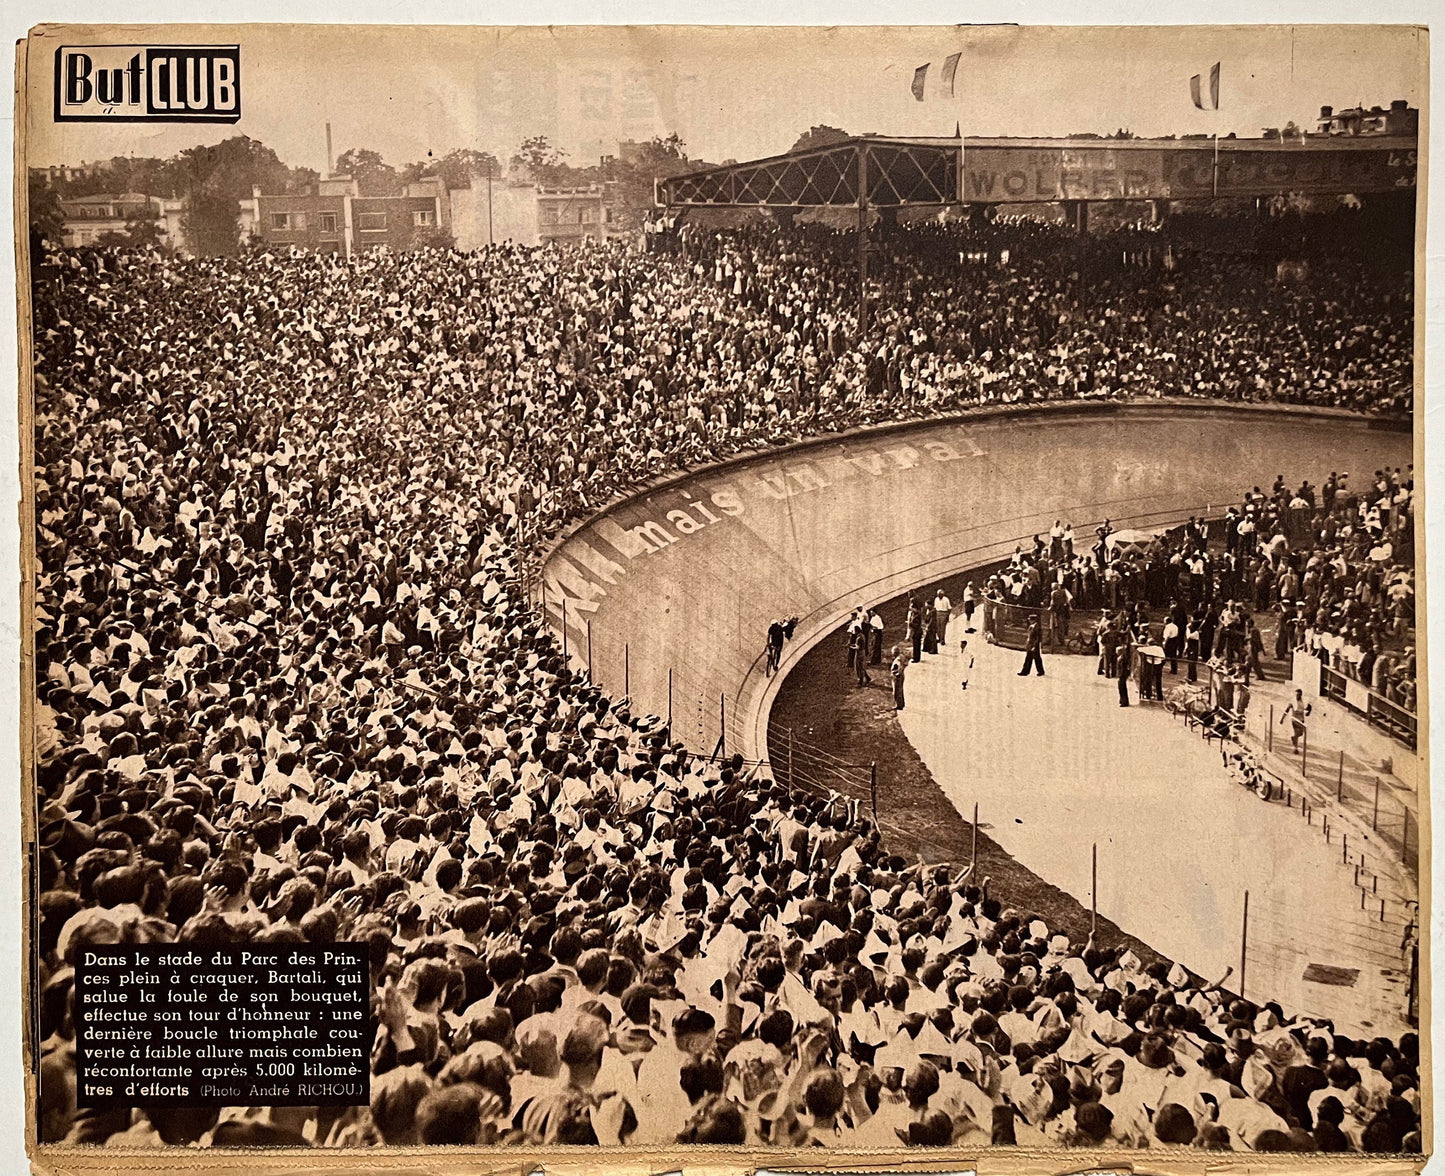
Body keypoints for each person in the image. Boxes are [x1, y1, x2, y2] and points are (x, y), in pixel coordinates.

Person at [1116, 631, 1133, 707]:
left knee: (1122, 688)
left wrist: (1120, 675)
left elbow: (1122, 668)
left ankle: (1124, 701)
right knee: (1121, 688)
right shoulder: (1122, 657)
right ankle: (1122, 700)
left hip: (1122, 674)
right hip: (1122, 674)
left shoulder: (1121, 658)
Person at [890, 645, 908, 711]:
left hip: (897, 677)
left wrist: (898, 673)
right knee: (900, 690)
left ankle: (898, 705)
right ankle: (901, 704)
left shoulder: (898, 659)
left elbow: (900, 666)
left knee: (896, 691)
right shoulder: (901, 657)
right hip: (901, 676)